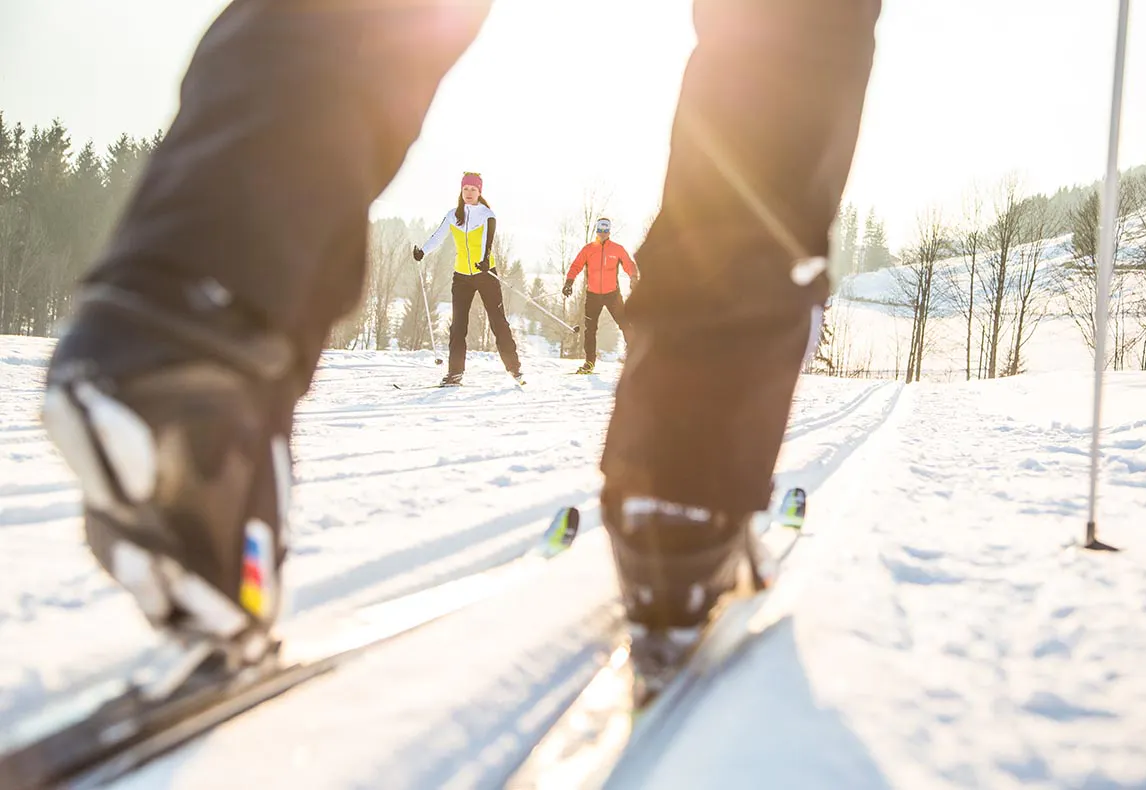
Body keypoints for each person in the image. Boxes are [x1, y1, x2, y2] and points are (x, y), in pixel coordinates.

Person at [38, 0, 880, 671]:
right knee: (782, 21)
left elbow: (599, 255)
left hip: (492, 280)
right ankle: (687, 471)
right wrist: (463, 257)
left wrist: (586, 271)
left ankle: (195, 316)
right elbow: (454, 235)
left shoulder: (494, 213)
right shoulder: (461, 212)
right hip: (482, 279)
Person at [412, 172, 523, 386]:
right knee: (458, 325)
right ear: (461, 191)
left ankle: (514, 368)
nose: (469, 193)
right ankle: (455, 373)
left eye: (473, 189)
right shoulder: (453, 215)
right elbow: (438, 236)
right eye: (465, 189)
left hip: (485, 274)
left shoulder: (487, 215)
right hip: (461, 276)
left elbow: (487, 243)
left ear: (480, 192)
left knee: (497, 321)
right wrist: (423, 251)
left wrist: (484, 260)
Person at [562, 217, 638, 374]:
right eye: (600, 230)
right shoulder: (588, 249)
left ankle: (636, 358)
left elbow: (629, 264)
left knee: (624, 324)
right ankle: (589, 362)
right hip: (593, 295)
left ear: (609, 231)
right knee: (590, 329)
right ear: (597, 231)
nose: (603, 233)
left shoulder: (617, 249)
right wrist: (569, 282)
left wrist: (633, 277)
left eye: (605, 230)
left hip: (612, 295)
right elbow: (576, 265)